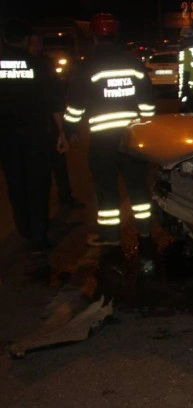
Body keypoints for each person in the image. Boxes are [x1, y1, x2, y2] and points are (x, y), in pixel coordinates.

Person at [62, 12, 156, 247]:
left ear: (94, 37)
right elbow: (148, 102)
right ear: (116, 35)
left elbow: (76, 104)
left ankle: (111, 236)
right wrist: (146, 128)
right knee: (137, 184)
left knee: (106, 187)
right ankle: (145, 231)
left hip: (103, 140)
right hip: (133, 136)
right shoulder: (134, 64)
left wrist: (69, 129)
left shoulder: (88, 66)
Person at [0, 17, 68, 254]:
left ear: (5, 38)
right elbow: (55, 102)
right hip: (37, 135)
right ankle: (38, 237)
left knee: (15, 182)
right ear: (28, 39)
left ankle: (25, 228)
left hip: (6, 136)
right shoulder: (40, 65)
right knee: (38, 184)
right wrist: (62, 132)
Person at [28, 32, 84, 213]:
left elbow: (57, 99)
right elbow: (55, 99)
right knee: (43, 167)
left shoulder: (44, 63)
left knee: (59, 165)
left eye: (39, 42)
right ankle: (43, 205)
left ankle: (65, 198)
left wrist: (64, 130)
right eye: (34, 43)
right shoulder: (38, 65)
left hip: (47, 125)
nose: (37, 46)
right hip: (38, 127)